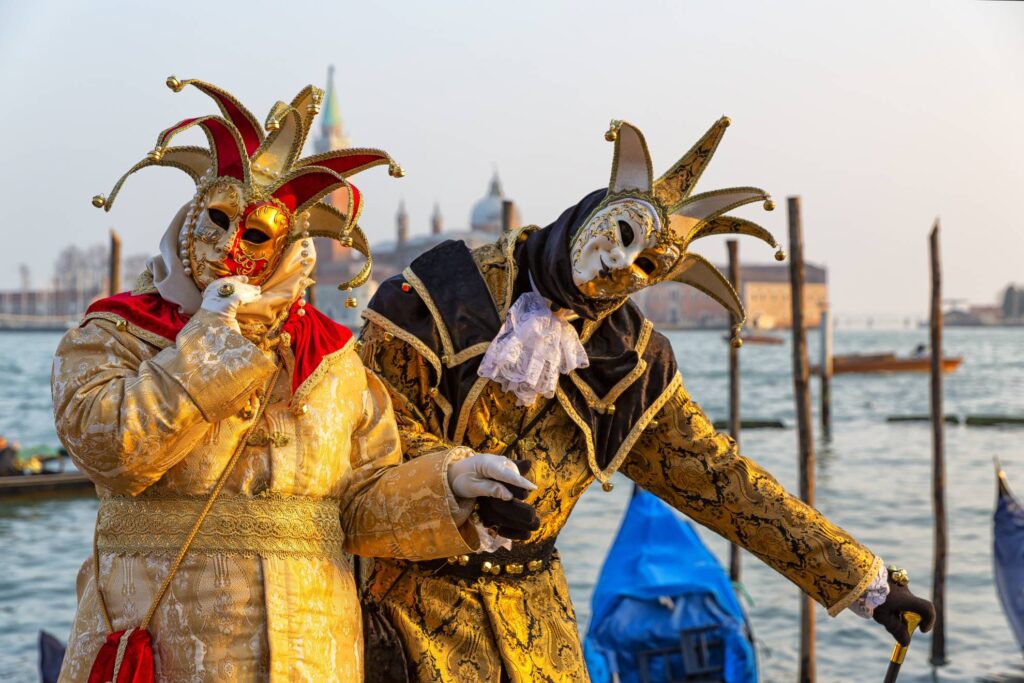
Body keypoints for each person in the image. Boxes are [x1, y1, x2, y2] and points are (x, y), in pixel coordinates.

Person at [358, 118, 935, 681]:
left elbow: (721, 481)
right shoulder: (438, 293)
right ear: (597, 209)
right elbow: (365, 433)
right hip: (406, 620)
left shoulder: (631, 361)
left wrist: (866, 582)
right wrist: (451, 479)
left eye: (646, 267)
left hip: (538, 633)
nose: (619, 262)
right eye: (624, 233)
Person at [52, 76, 535, 683]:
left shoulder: (332, 357)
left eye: (254, 234)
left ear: (288, 245)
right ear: (189, 218)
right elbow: (114, 451)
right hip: (170, 648)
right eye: (217, 221)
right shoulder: (116, 333)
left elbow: (358, 502)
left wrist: (451, 488)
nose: (230, 246)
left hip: (314, 652)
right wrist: (211, 337)